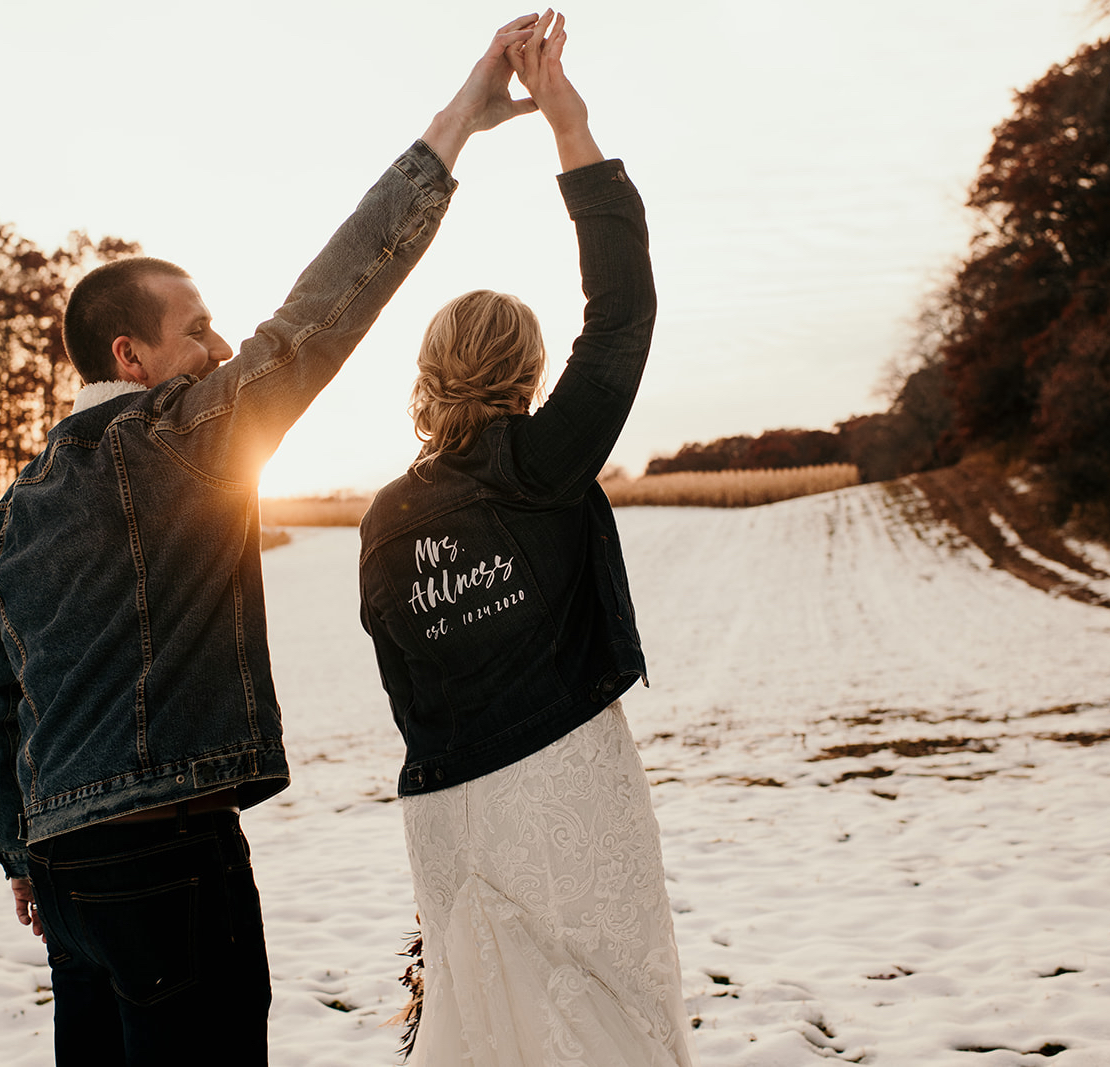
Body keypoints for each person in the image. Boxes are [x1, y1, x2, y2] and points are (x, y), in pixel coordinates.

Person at [0, 15, 547, 1065]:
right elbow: (325, 306)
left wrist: (18, 845)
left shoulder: (17, 507)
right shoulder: (182, 438)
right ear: (131, 355)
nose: (222, 347)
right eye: (197, 329)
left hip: (68, 876)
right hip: (170, 859)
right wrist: (454, 126)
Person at [358, 13, 698, 1066]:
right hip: (563, 783)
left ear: (427, 375)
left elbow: (404, 678)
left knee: (485, 1023)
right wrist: (569, 127)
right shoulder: (543, 463)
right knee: (601, 1010)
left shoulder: (383, 519)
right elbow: (623, 310)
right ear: (530, 372)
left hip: (444, 803)